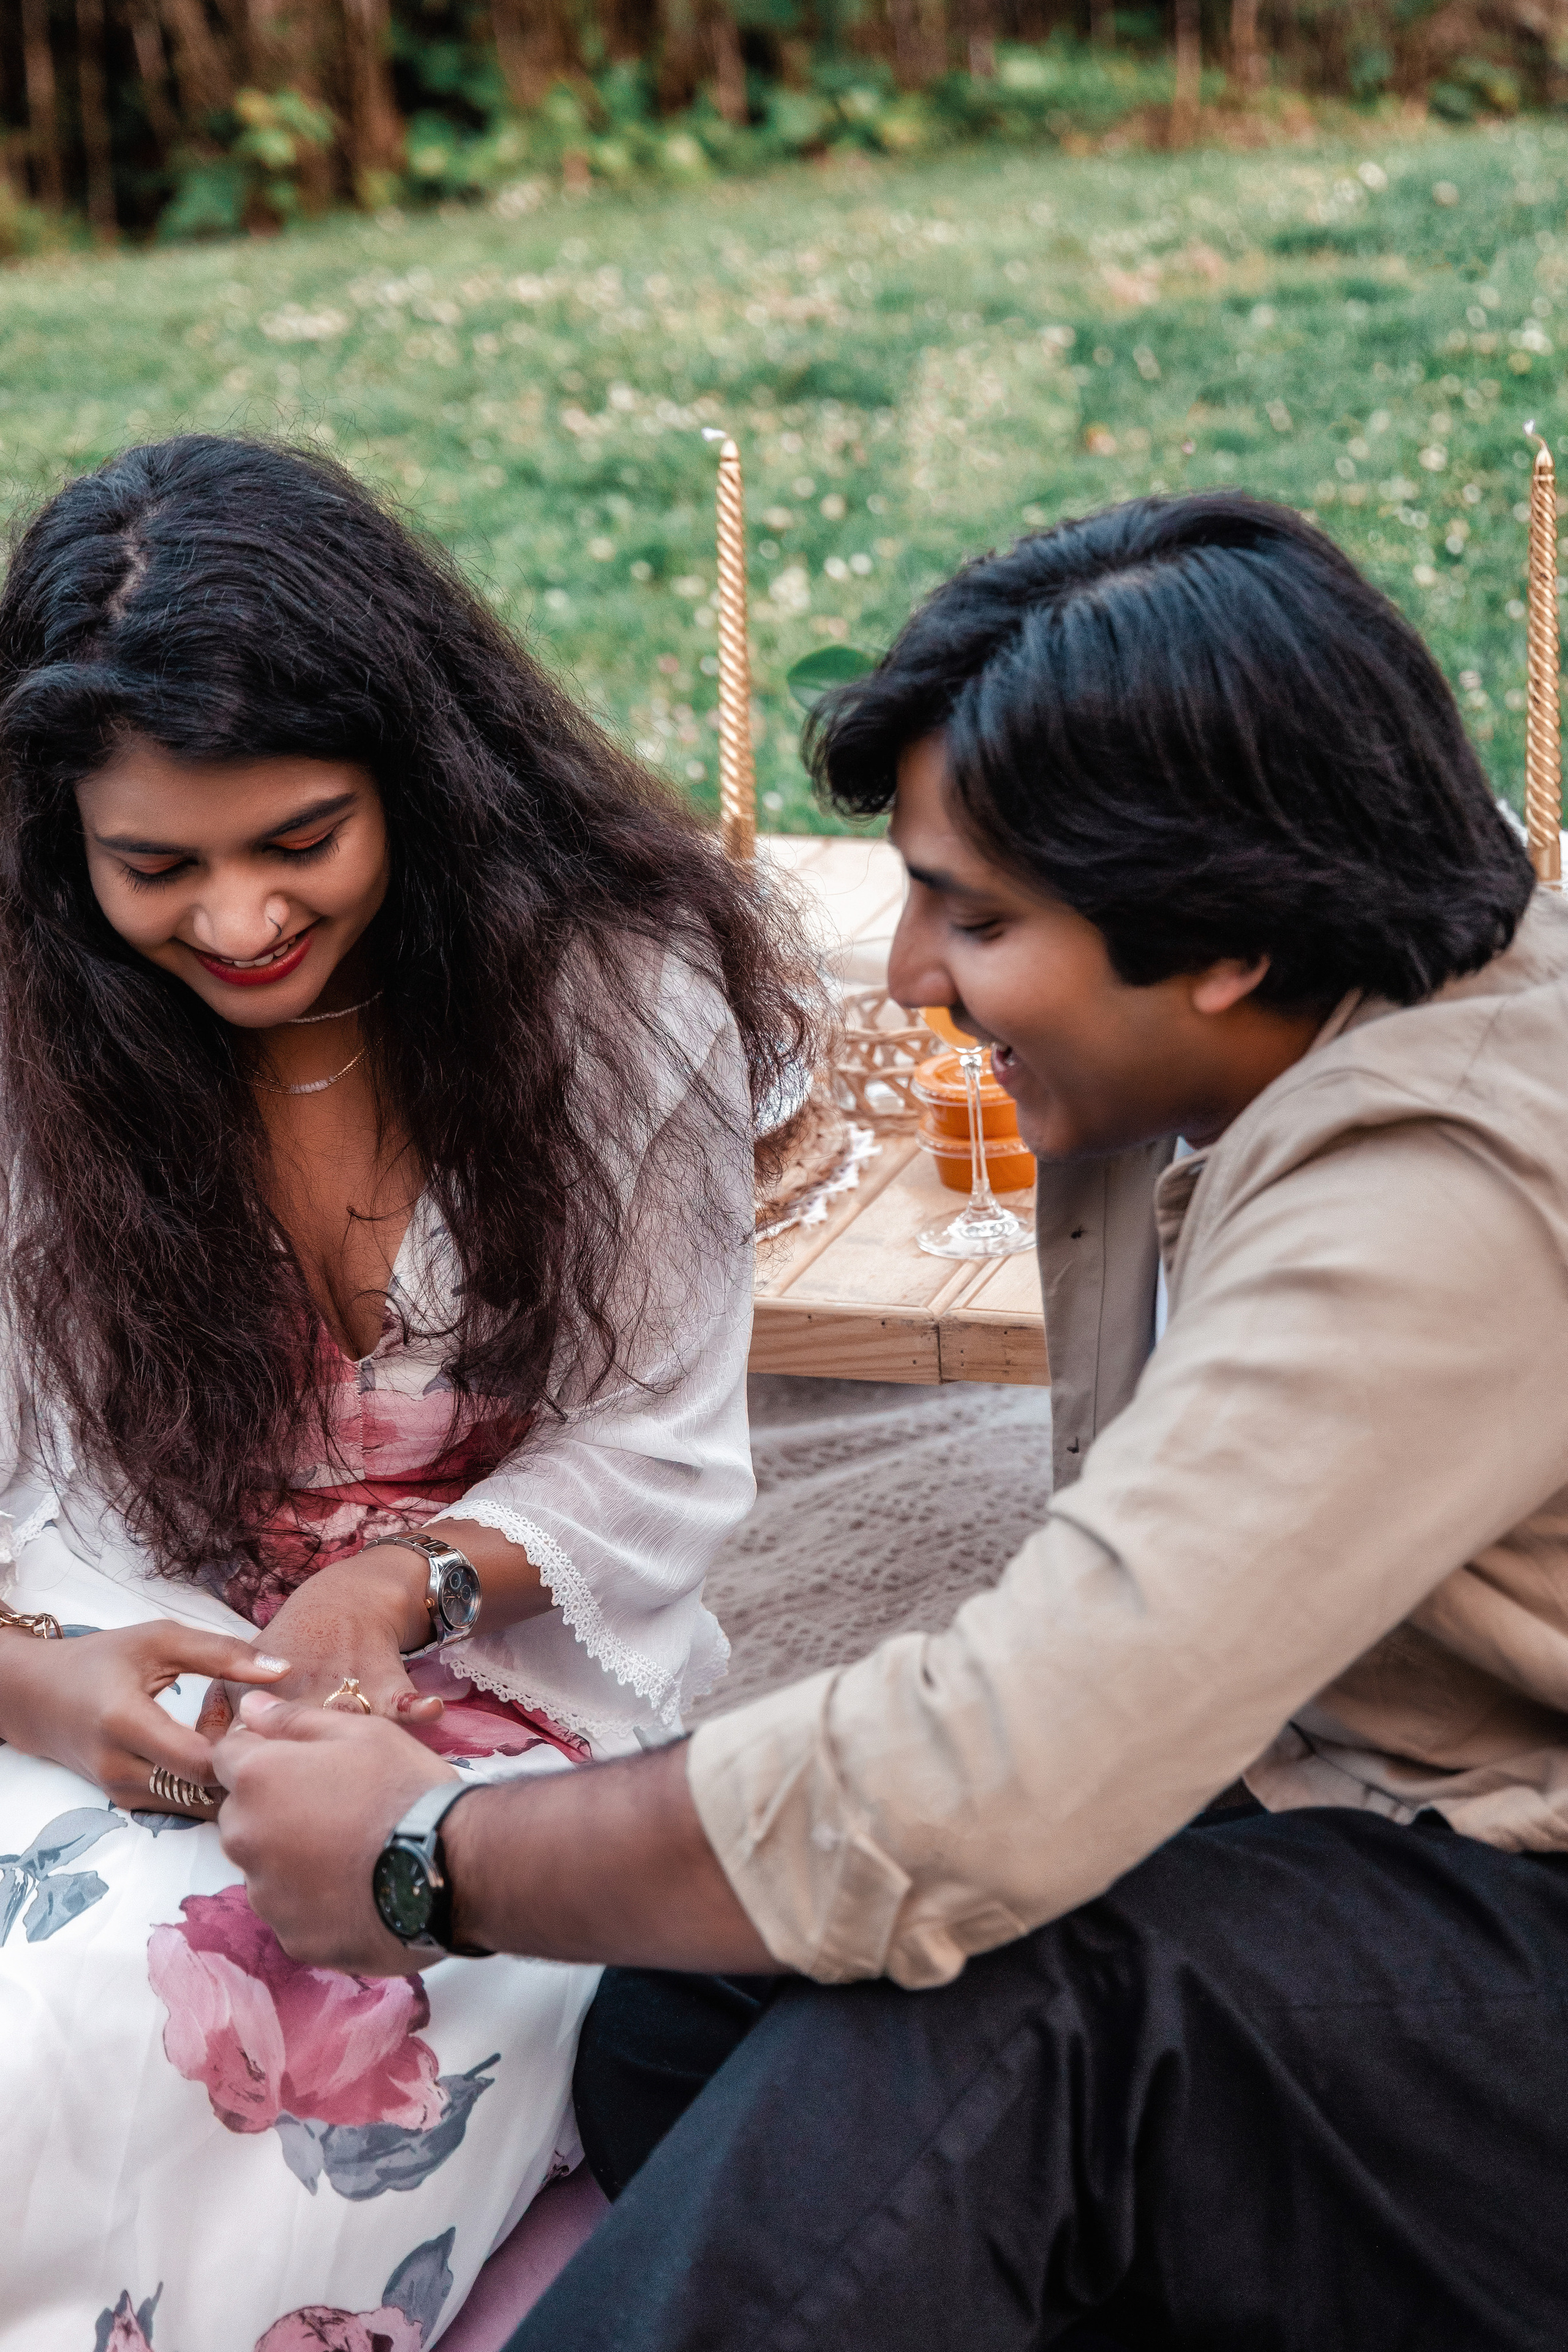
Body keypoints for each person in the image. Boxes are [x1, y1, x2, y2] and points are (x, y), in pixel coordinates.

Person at [216, 490, 1568, 2351]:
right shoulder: (1233, 1044)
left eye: (979, 915)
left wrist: (428, 1858)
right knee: (686, 2021)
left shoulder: (1447, 1201)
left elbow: (998, 1773)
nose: (912, 972)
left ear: (1231, 935)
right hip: (1369, 1799)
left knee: (1016, 2008)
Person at [0, 434, 810, 2351]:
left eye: (300, 842)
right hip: (94, 1632)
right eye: (155, 867)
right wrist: (41, 1687)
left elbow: (661, 1449)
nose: (236, 923)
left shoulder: (611, 987)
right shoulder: (28, 1027)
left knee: (269, 2013)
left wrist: (397, 1587)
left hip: (503, 1689)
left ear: (420, 779)